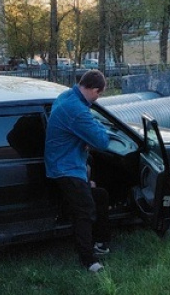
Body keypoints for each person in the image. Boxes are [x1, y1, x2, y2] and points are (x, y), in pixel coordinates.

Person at [44, 70, 111, 272]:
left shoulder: (66, 96)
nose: (97, 99)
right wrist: (96, 127)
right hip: (66, 168)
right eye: (99, 94)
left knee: (100, 195)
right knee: (85, 212)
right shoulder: (77, 110)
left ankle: (102, 242)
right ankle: (89, 261)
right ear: (94, 90)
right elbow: (102, 141)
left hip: (61, 161)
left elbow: (77, 129)